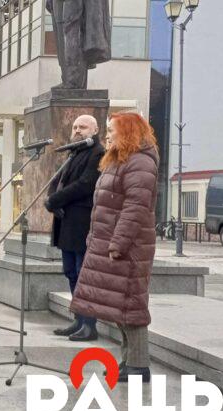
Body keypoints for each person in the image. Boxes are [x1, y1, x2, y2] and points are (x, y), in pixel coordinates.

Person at [69, 112, 160, 383]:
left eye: (112, 130)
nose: (107, 135)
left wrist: (118, 243)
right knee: (121, 308)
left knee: (132, 308)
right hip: (110, 243)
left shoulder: (140, 162)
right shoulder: (121, 160)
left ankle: (139, 366)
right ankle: (129, 362)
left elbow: (135, 208)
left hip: (129, 248)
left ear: (129, 132)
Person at [47, 114, 105, 342]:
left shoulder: (97, 153)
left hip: (82, 223)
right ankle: (78, 320)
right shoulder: (74, 152)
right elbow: (56, 181)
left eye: (83, 127)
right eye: (75, 126)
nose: (78, 130)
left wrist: (56, 200)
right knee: (71, 272)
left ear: (95, 129)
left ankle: (90, 325)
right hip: (66, 222)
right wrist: (52, 198)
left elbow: (85, 185)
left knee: (83, 274)